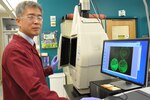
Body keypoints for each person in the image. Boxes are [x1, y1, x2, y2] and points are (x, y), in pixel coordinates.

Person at [2, 1, 68, 100]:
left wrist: (50, 69)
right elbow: (34, 89)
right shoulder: (15, 50)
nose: (36, 21)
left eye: (39, 17)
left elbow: (32, 74)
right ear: (18, 21)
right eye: (31, 17)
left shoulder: (29, 45)